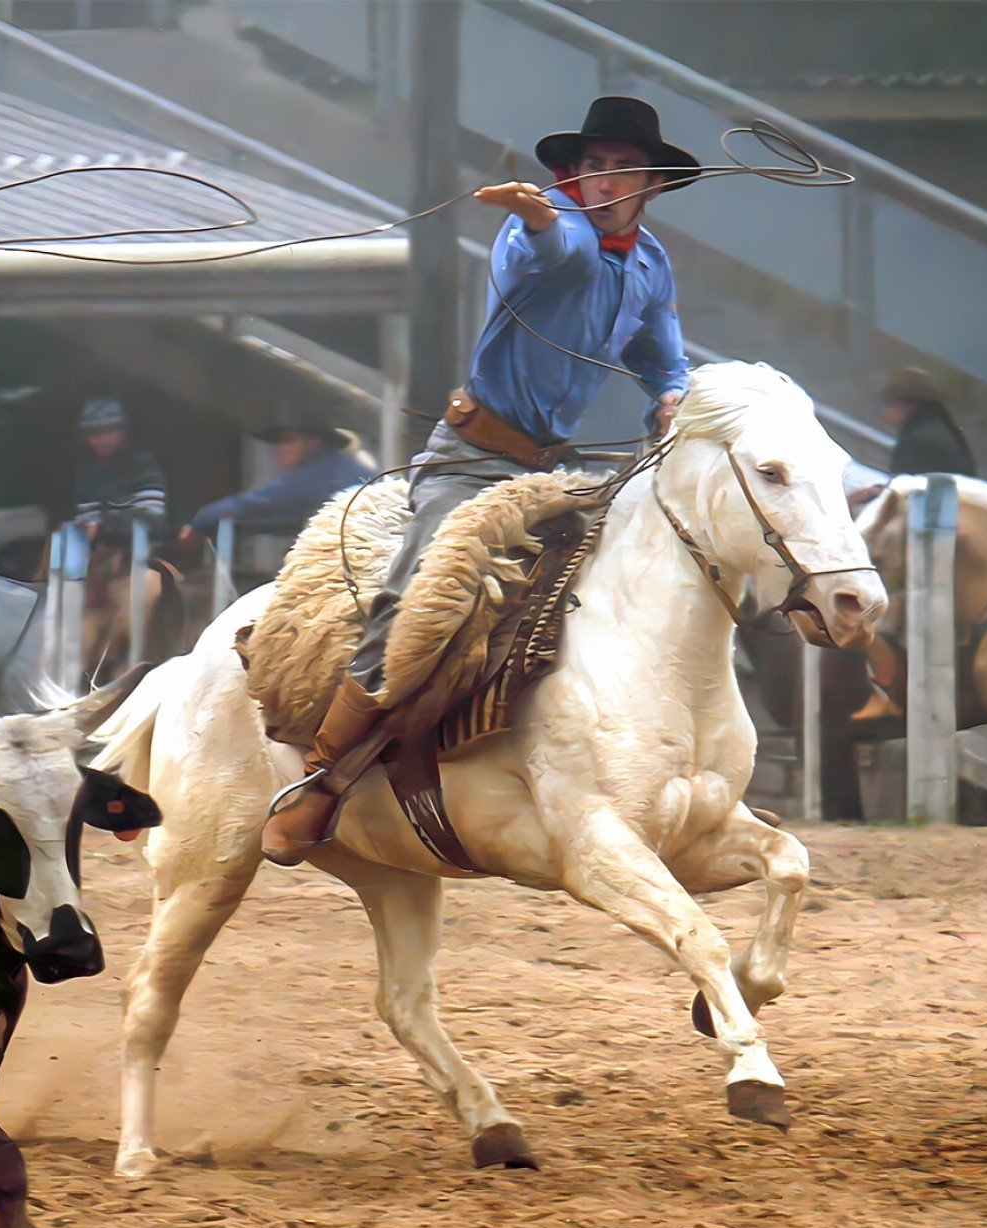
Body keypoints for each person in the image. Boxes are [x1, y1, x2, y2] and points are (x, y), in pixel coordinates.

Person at [262, 95, 696, 865]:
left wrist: (668, 393)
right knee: (418, 601)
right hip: (472, 456)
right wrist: (532, 216)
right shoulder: (546, 225)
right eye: (594, 167)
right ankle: (322, 777)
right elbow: (555, 255)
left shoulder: (651, 265)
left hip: (550, 467)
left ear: (652, 184)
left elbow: (659, 353)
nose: (603, 180)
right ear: (574, 173)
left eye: (623, 169)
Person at [177, 419, 374, 547]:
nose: (279, 450)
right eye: (278, 443)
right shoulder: (340, 466)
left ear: (314, 442)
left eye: (288, 441)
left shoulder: (321, 471)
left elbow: (253, 503)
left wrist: (201, 521)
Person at [71, 398, 168, 539]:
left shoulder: (142, 465)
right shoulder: (87, 468)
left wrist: (106, 524)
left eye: (109, 430)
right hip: (97, 549)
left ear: (123, 432)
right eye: (93, 432)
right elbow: (85, 516)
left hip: (140, 547)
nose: (101, 439)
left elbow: (151, 517)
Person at [880, 367, 976, 478]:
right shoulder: (938, 423)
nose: (884, 416)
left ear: (908, 406)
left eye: (889, 405)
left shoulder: (916, 441)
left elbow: (901, 489)